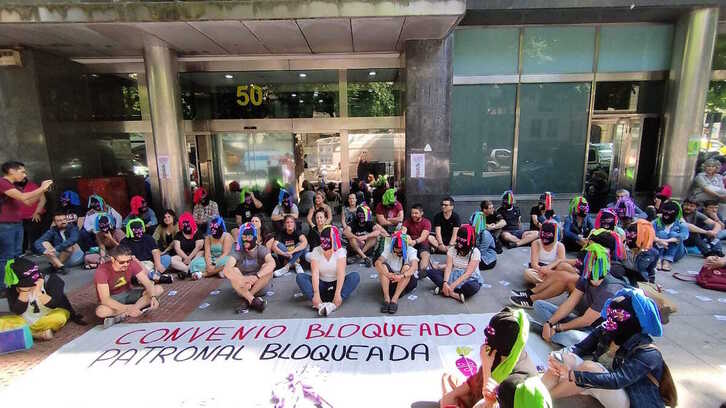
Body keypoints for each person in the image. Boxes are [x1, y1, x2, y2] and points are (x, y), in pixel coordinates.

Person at [543, 288, 668, 408]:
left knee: (589, 368)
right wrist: (559, 360)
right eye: (610, 314)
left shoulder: (647, 352)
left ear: (635, 321)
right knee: (560, 358)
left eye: (619, 316)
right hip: (602, 385)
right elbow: (580, 348)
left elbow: (617, 380)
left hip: (631, 401)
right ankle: (534, 392)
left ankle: (542, 399)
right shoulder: (606, 329)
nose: (612, 320)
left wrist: (572, 375)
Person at [440, 308, 550, 408]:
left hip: (491, 401)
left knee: (447, 400)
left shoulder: (513, 383)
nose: (486, 342)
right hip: (484, 395)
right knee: (447, 379)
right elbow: (476, 382)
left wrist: (487, 368)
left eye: (489, 339)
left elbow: (489, 400)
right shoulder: (504, 352)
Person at [530, 242, 626, 347]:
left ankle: (547, 332)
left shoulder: (609, 290)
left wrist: (558, 327)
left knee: (572, 337)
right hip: (582, 322)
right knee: (539, 305)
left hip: (598, 331)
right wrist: (550, 323)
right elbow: (570, 303)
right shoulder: (585, 278)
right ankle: (549, 330)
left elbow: (587, 321)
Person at [0, 161, 53, 297]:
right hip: (5, 225)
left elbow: (28, 201)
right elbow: (23, 197)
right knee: (7, 257)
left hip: (16, 223)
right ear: (11, 171)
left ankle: (16, 282)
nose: (25, 174)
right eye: (22, 171)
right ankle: (3, 287)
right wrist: (41, 188)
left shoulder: (13, 186)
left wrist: (43, 191)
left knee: (17, 255)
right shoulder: (3, 183)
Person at [0, 258, 86, 341]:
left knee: (60, 317)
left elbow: (55, 304)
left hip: (47, 316)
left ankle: (21, 333)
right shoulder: (12, 288)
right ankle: (34, 334)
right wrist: (23, 293)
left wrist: (38, 292)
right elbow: (17, 311)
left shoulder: (51, 280)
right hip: (24, 320)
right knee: (2, 322)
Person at [296, 225, 360, 316]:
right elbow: (315, 274)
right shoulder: (316, 251)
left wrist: (338, 294)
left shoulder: (340, 251)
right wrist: (316, 294)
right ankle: (319, 305)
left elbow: (341, 274)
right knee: (300, 277)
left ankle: (333, 305)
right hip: (321, 284)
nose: (330, 251)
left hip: (336, 285)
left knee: (355, 276)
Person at [94, 245, 163, 328]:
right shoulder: (102, 271)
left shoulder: (132, 264)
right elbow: (105, 299)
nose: (126, 264)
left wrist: (153, 297)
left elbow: (148, 283)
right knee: (101, 311)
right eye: (121, 262)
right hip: (113, 298)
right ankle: (136, 309)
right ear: (112, 259)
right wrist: (127, 308)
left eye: (128, 261)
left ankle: (125, 313)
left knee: (158, 289)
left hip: (129, 293)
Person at [223, 222, 275, 313]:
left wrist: (256, 277)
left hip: (259, 285)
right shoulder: (237, 250)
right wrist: (243, 279)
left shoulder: (261, 249)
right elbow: (226, 270)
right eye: (243, 237)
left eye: (249, 237)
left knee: (267, 268)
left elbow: (272, 263)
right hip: (243, 286)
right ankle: (253, 300)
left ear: (255, 238)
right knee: (233, 270)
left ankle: (247, 299)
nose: (246, 240)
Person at [429, 225, 484, 303]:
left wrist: (452, 286)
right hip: (453, 275)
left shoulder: (475, 252)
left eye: (463, 240)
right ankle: (455, 294)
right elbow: (448, 267)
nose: (460, 243)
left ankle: (445, 291)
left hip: (469, 278)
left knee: (472, 287)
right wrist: (445, 282)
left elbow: (468, 274)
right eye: (459, 239)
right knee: (431, 273)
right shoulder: (452, 250)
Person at [375, 231, 418, 314]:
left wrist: (401, 276)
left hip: (405, 282)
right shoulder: (389, 248)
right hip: (392, 280)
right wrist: (387, 274)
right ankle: (386, 299)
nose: (397, 253)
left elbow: (414, 266)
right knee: (382, 267)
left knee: (407, 267)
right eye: (396, 251)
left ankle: (394, 300)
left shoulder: (411, 250)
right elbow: (377, 262)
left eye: (400, 252)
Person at [120, 218, 172, 284]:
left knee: (166, 258)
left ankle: (151, 277)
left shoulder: (148, 238)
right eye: (136, 230)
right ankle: (155, 277)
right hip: (136, 264)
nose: (139, 231)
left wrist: (157, 264)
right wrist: (146, 270)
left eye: (141, 228)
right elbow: (132, 259)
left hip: (150, 263)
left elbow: (155, 251)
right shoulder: (124, 242)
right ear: (130, 230)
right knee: (134, 266)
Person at [517, 221, 566, 291]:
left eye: (548, 234)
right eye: (543, 234)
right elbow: (534, 264)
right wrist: (543, 271)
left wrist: (548, 269)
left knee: (564, 268)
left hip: (553, 270)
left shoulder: (560, 246)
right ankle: (551, 284)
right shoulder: (536, 243)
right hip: (539, 270)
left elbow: (562, 260)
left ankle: (544, 284)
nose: (545, 238)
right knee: (527, 273)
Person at [190, 215, 234, 279]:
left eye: (215, 229)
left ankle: (202, 274)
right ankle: (218, 271)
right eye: (212, 229)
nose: (213, 231)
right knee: (194, 263)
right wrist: (209, 264)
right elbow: (207, 254)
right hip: (211, 259)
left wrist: (214, 264)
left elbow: (225, 253)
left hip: (223, 258)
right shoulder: (208, 237)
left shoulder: (226, 236)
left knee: (231, 261)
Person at [652, 200, 689, 271]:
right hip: (658, 249)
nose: (666, 215)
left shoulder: (681, 224)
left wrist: (666, 241)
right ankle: (658, 259)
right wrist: (659, 240)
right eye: (665, 212)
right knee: (661, 233)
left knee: (674, 234)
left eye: (670, 213)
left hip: (677, 252)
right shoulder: (656, 222)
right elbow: (649, 235)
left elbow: (684, 236)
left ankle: (667, 260)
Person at [16, 176, 47, 254]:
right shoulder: (12, 188)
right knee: (21, 235)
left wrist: (37, 212)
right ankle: (22, 252)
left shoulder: (33, 186)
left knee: (34, 235)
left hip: (33, 216)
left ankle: (37, 251)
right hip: (18, 218)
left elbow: (43, 200)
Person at [170, 212, 205, 279]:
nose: (186, 225)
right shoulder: (178, 234)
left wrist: (189, 258)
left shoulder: (198, 233)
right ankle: (189, 270)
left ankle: (186, 271)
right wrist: (186, 258)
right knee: (172, 260)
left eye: (188, 223)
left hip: (195, 255)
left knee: (201, 253)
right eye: (184, 223)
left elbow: (198, 247)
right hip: (183, 256)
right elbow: (177, 249)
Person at [623, 219, 659, 284]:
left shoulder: (652, 253)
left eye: (633, 234)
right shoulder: (622, 247)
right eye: (628, 233)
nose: (628, 236)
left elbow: (651, 271)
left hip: (641, 281)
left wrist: (651, 283)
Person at [401, 203, 432, 272]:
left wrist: (414, 242)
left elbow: (423, 237)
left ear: (421, 213)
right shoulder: (407, 221)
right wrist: (406, 236)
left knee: (424, 264)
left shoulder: (426, 222)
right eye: (412, 213)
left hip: (422, 244)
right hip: (409, 244)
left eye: (416, 213)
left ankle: (419, 270)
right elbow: (403, 232)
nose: (413, 215)